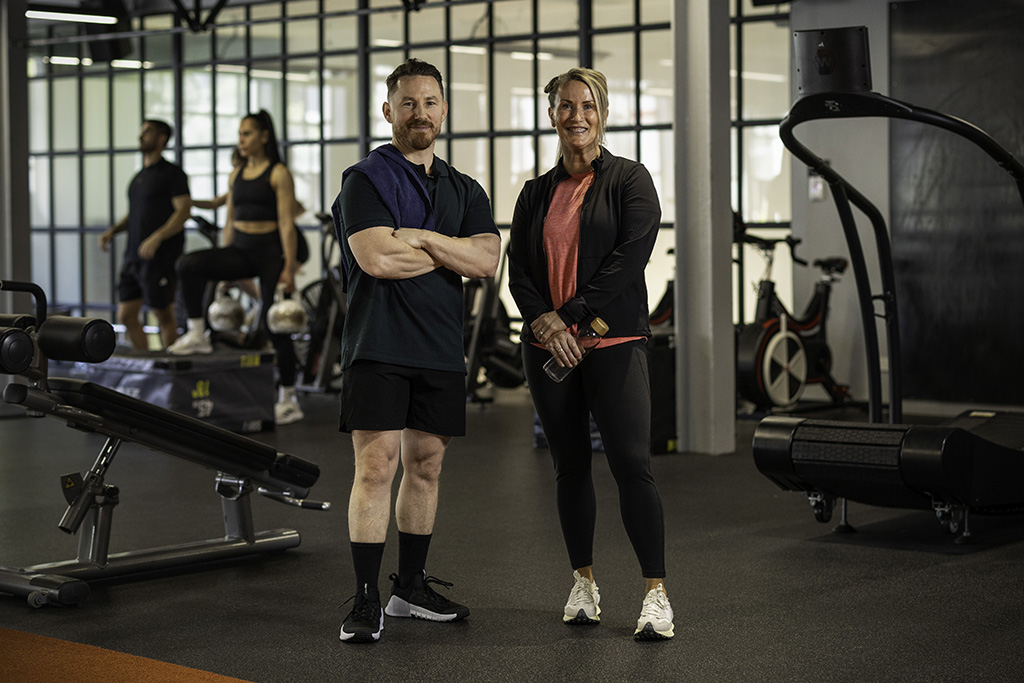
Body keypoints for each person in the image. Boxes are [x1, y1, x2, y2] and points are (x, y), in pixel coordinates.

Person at [332, 58, 500, 644]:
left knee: (426, 467)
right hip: (377, 346)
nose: (419, 113)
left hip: (438, 350)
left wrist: (424, 238)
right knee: (377, 469)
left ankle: (411, 587)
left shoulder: (463, 188)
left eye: (429, 102)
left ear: (444, 109)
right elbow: (377, 258)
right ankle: (366, 598)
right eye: (408, 103)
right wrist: (451, 249)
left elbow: (486, 262)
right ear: (388, 112)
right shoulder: (365, 180)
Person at [507, 67, 674, 641]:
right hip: (547, 346)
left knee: (632, 466)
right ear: (551, 114)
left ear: (603, 114)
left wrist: (570, 316)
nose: (577, 115)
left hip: (613, 341)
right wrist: (543, 322)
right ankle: (584, 583)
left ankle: (655, 594)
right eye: (566, 106)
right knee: (570, 467)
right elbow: (520, 272)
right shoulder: (535, 192)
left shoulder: (630, 180)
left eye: (588, 105)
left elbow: (630, 259)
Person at [167, 110, 305, 426]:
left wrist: (288, 269)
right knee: (189, 265)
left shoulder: (278, 172)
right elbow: (229, 221)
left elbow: (286, 222)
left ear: (264, 136)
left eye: (247, 134)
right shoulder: (236, 175)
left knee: (275, 324)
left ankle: (288, 399)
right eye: (240, 134)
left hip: (269, 254)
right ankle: (198, 333)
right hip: (240, 251)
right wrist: (224, 269)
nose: (241, 140)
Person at [99, 120, 191, 350]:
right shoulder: (139, 178)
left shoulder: (173, 174)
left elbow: (183, 211)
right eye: (141, 132)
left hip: (159, 256)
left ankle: (169, 369)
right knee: (126, 316)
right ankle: (147, 365)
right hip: (132, 256)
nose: (141, 137)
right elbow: (135, 214)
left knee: (164, 316)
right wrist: (113, 230)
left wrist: (157, 237)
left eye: (147, 132)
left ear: (162, 139)